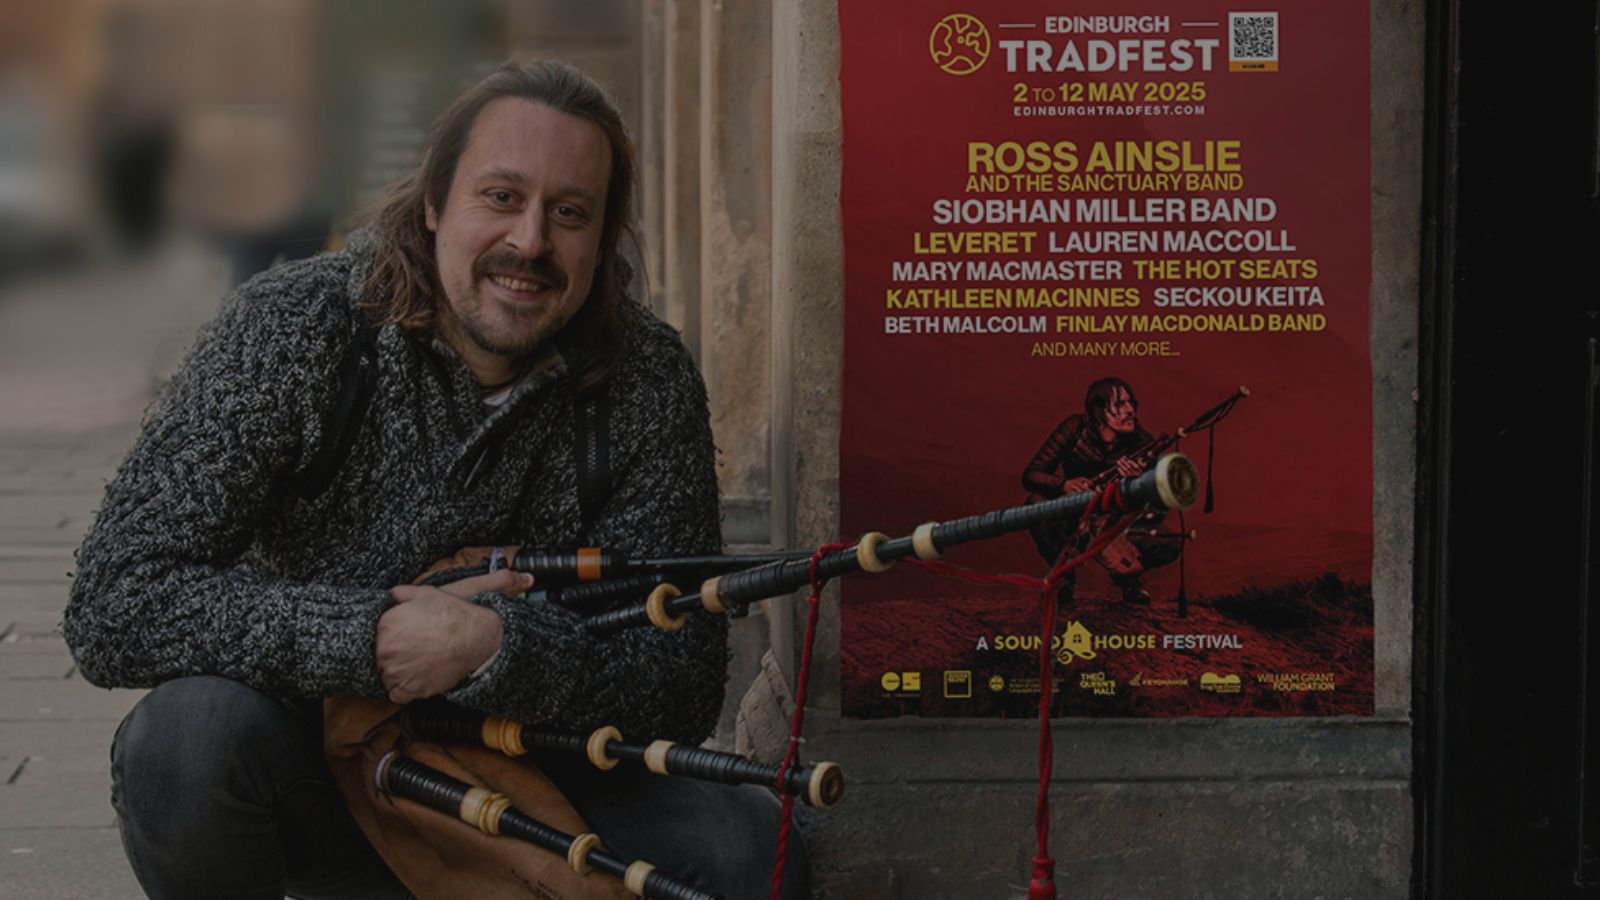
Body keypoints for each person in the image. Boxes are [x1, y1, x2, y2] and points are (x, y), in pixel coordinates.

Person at [64, 61, 805, 899]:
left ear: (601, 242)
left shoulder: (646, 378)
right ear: (432, 205)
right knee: (186, 740)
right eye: (500, 196)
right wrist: (370, 636)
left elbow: (680, 684)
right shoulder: (293, 326)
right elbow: (116, 599)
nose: (530, 242)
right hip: (314, 772)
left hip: (533, 774)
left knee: (743, 846)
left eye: (569, 213)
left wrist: (494, 645)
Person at [1020, 376, 1181, 606]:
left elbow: (1159, 505)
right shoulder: (1075, 427)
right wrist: (1064, 484)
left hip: (1113, 522)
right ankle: (1063, 578)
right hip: (1074, 512)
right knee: (1036, 505)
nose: (1130, 410)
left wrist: (1137, 486)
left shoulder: (1142, 441)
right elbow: (1032, 475)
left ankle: (1128, 578)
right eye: (1119, 405)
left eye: (1131, 403)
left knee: (1168, 542)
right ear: (1099, 412)